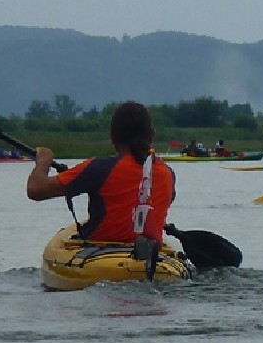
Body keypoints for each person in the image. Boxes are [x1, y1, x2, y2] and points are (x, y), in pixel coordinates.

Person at [27, 101, 176, 245]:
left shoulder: (99, 168)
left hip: (102, 255)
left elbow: (36, 190)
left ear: (113, 137)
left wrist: (43, 162)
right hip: (152, 256)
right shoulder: (167, 173)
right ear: (152, 135)